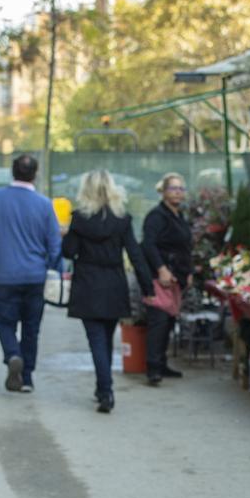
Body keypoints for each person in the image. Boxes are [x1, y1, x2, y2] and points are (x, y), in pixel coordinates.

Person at [61, 170, 153, 413]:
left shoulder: (80, 219)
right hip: (114, 283)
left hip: (88, 285)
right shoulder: (122, 220)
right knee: (106, 339)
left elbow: (69, 252)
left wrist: (68, 235)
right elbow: (135, 254)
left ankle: (105, 390)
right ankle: (104, 387)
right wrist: (148, 287)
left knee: (96, 341)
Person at [0, 154, 60, 393]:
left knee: (5, 323)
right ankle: (28, 377)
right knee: (32, 328)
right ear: (35, 174)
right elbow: (54, 245)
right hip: (35, 277)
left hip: (3, 276)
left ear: (12, 172)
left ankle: (13, 354)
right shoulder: (44, 204)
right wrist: (52, 271)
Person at [141, 172, 193, 385]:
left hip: (176, 277)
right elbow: (148, 245)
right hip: (159, 278)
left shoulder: (179, 216)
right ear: (162, 191)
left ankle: (161, 363)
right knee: (159, 322)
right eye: (173, 188)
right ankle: (153, 368)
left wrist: (188, 272)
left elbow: (185, 247)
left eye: (181, 188)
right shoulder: (156, 216)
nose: (178, 192)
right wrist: (161, 269)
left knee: (169, 322)